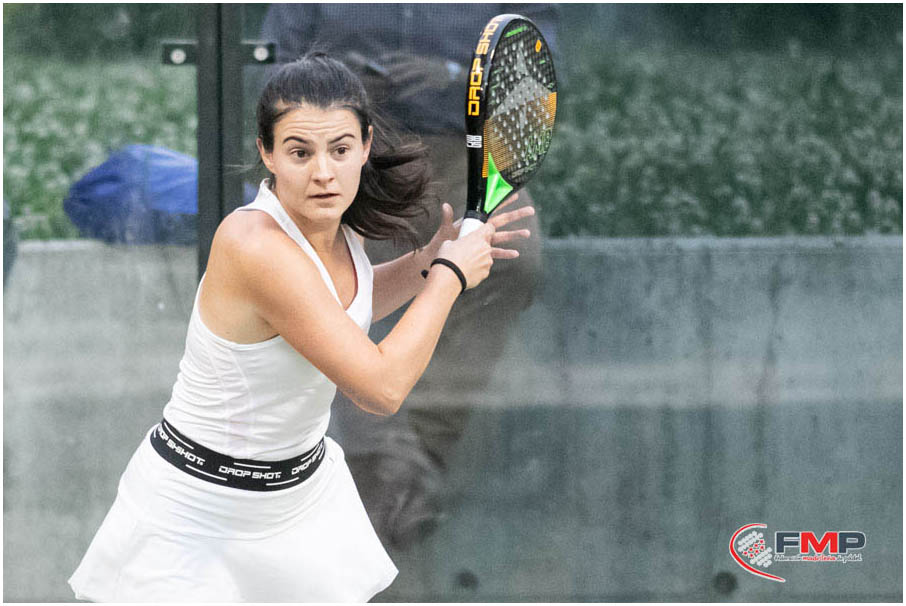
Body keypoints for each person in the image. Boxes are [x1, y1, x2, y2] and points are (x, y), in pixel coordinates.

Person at [68, 53, 534, 602]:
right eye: (299, 152)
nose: (323, 172)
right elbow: (381, 389)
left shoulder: (339, 226)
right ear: (266, 153)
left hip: (298, 503)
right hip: (198, 515)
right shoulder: (254, 244)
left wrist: (426, 262)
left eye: (340, 149)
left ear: (365, 146)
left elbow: (337, 311)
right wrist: (450, 276)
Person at [260, 3, 560, 550]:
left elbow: (537, 67)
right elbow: (270, 64)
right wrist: (342, 90)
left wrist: (453, 77)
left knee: (515, 261)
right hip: (349, 149)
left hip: (465, 150)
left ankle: (408, 460)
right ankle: (391, 469)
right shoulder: (257, 230)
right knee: (318, 281)